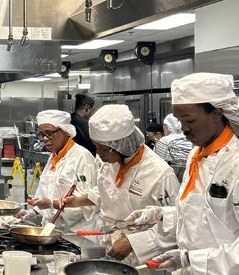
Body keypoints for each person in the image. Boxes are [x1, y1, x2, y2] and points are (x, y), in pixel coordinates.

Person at [126, 72, 239, 275]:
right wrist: (159, 214)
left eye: (189, 119)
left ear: (217, 113)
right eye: (179, 119)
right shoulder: (197, 154)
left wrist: (191, 258)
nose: (183, 128)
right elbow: (201, 216)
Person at [61, 105, 180, 264]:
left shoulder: (159, 174)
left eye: (103, 149)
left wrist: (135, 242)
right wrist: (78, 200)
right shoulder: (110, 160)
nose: (99, 155)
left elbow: (174, 225)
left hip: (142, 259)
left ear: (122, 145)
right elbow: (108, 190)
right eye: (96, 147)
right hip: (108, 244)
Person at [20, 110, 98, 233]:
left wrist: (51, 204)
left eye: (49, 133)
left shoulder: (82, 157)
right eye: (42, 134)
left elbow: (88, 203)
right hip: (53, 230)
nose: (45, 139)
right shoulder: (54, 157)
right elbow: (46, 190)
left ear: (65, 131)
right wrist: (33, 211)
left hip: (76, 233)